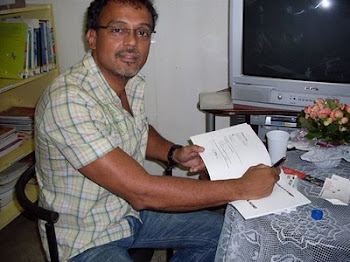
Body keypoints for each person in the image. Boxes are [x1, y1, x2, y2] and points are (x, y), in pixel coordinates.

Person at [34, 0, 281, 261]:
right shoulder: (68, 99)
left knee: (229, 235)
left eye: (142, 32)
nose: (132, 43)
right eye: (118, 30)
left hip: (125, 212)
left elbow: (134, 128)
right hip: (85, 236)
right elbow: (142, 192)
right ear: (93, 38)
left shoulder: (126, 82)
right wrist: (241, 187)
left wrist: (173, 153)